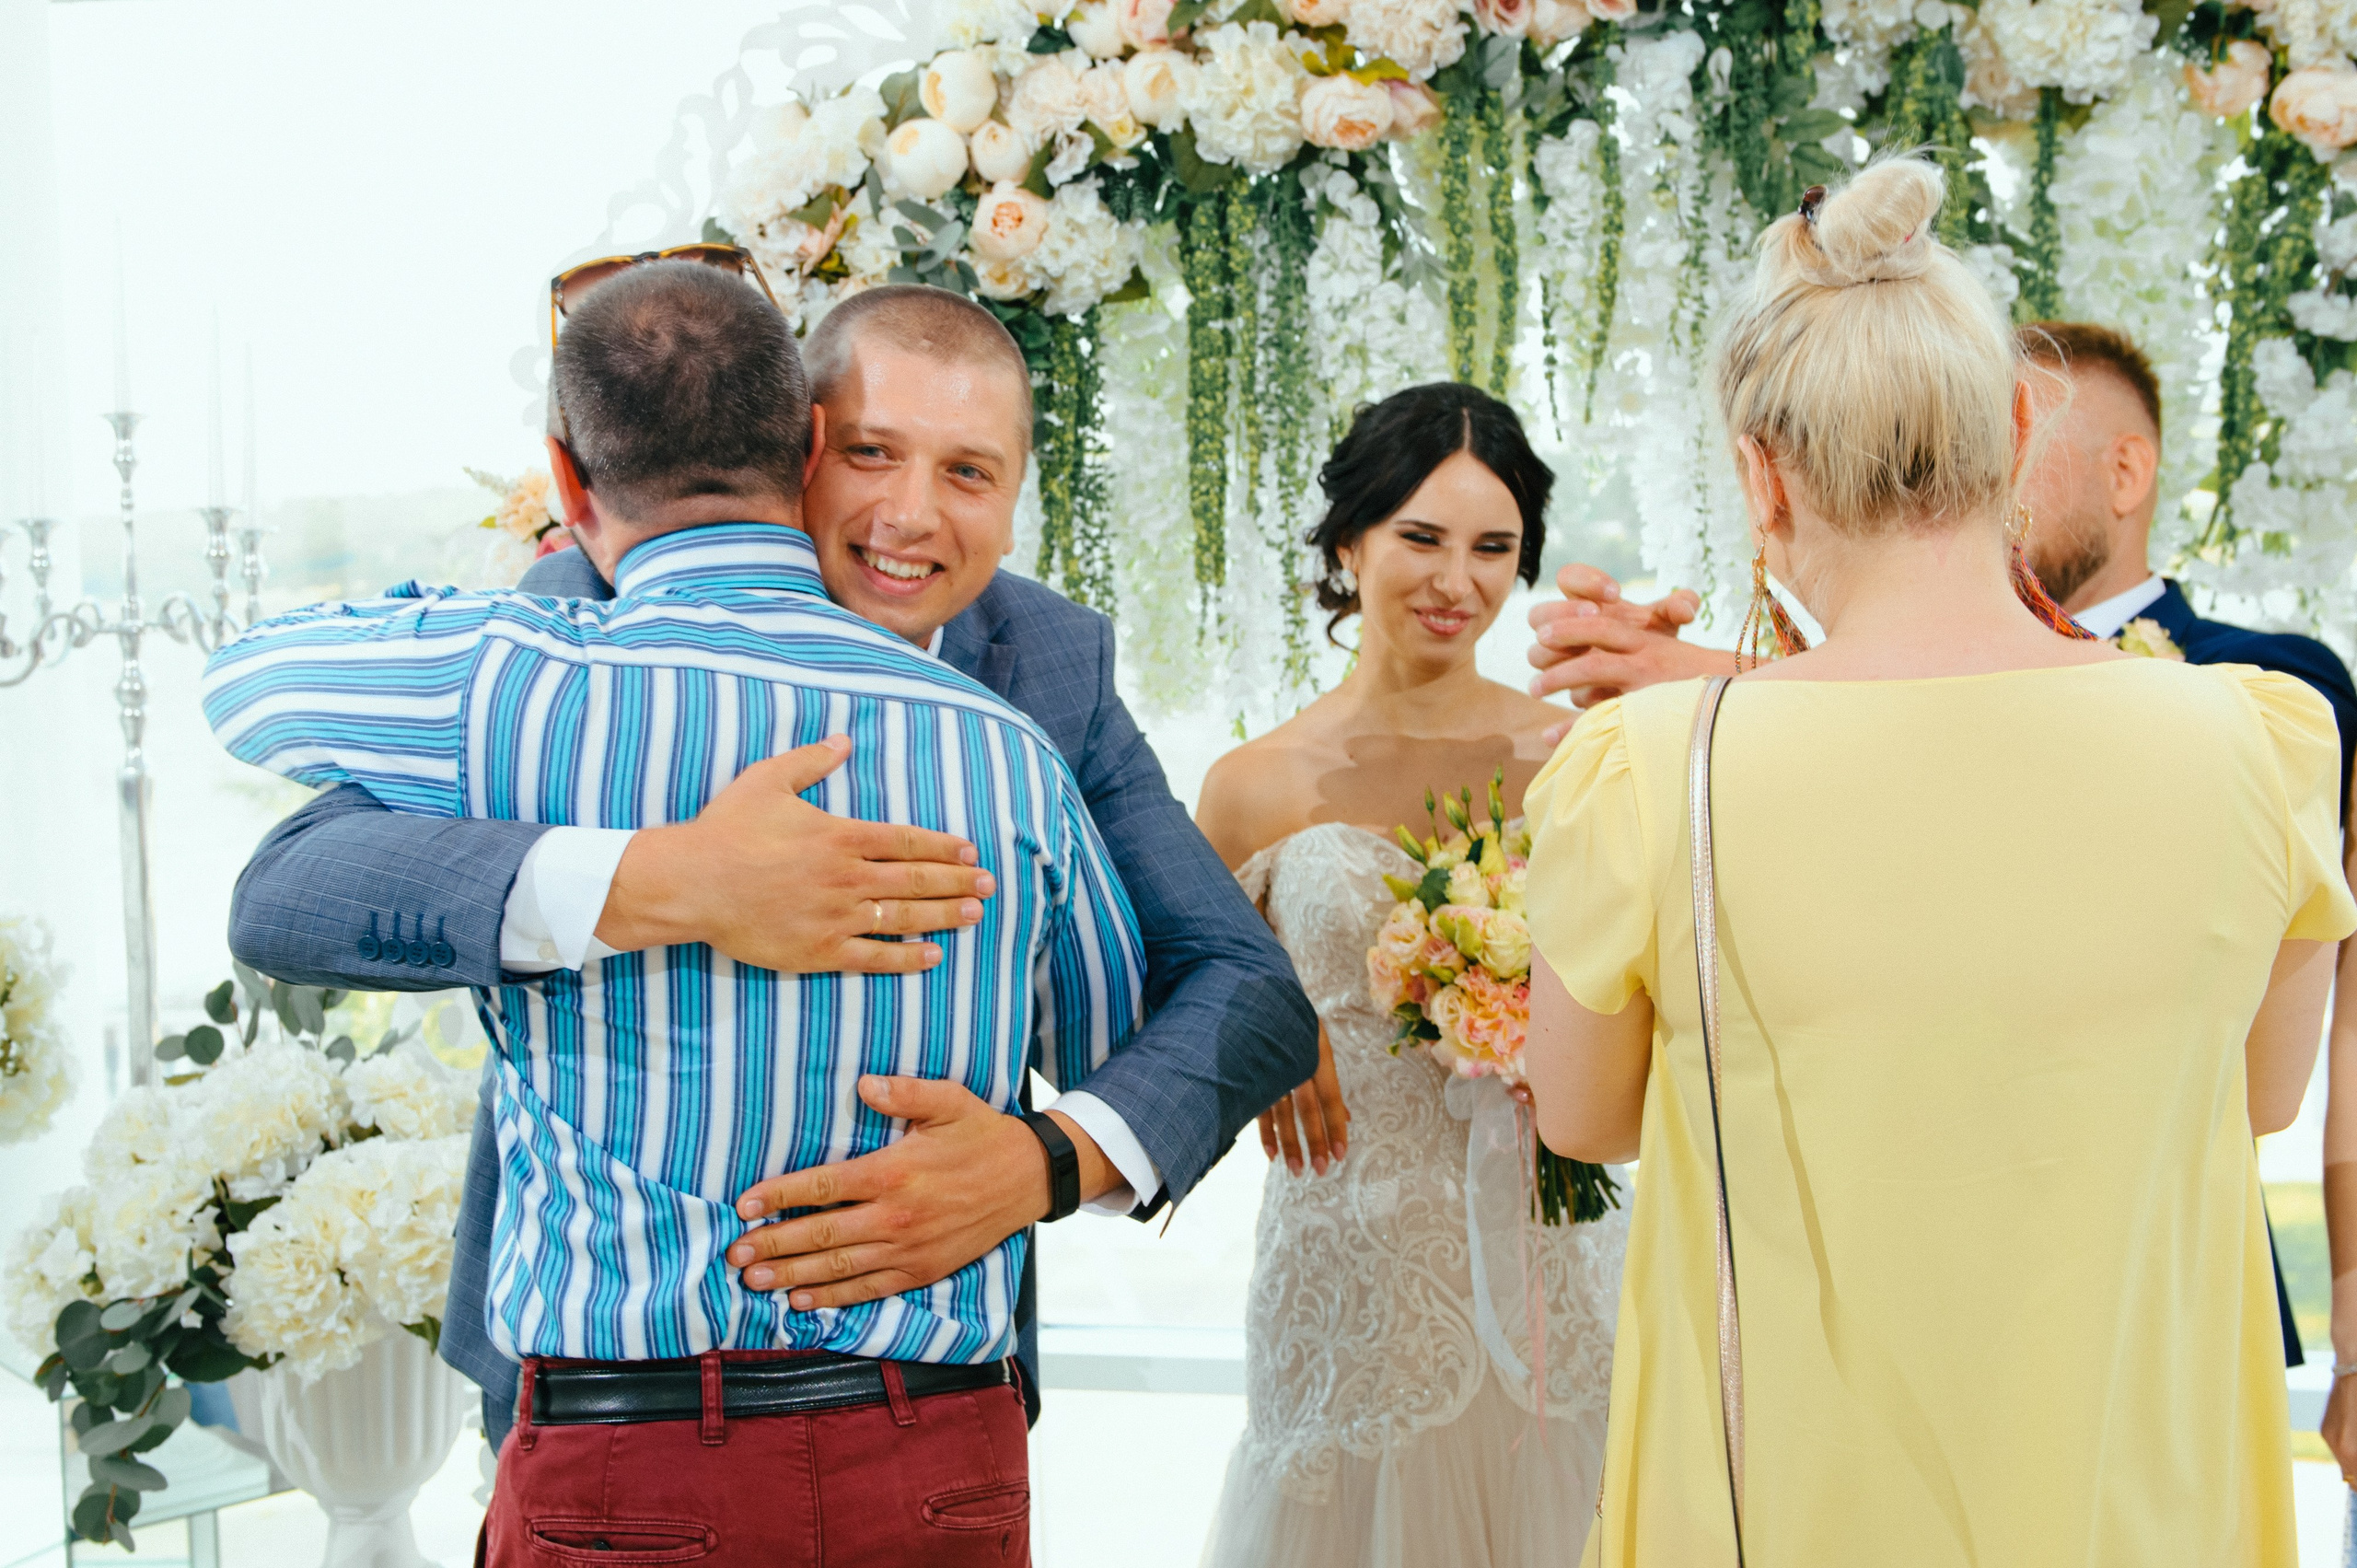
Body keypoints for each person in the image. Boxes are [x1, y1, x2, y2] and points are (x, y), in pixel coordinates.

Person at [220, 281, 1318, 1447]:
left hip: (924, 1394)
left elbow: (1243, 988)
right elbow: (296, 883)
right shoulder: (576, 614)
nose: (910, 513)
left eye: (967, 472)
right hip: (600, 1379)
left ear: (1014, 495)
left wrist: (1044, 1160)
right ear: (797, 447)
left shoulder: (1046, 664)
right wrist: (663, 878)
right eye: (870, 452)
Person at [1518, 156, 2353, 1564]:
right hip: (2134, 1494)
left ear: (1760, 473)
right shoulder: (2256, 741)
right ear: (2021, 428)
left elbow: (1585, 1118)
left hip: (1788, 1497)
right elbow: (2261, 1091)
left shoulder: (1657, 766)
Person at [1192, 382, 1625, 1568]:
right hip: (1355, 1265)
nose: (1457, 580)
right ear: (1351, 540)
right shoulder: (1252, 785)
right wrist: (1270, 1029)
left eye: (1494, 547)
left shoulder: (1578, 756)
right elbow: (1178, 1020)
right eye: (1421, 538)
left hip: (1556, 1252)